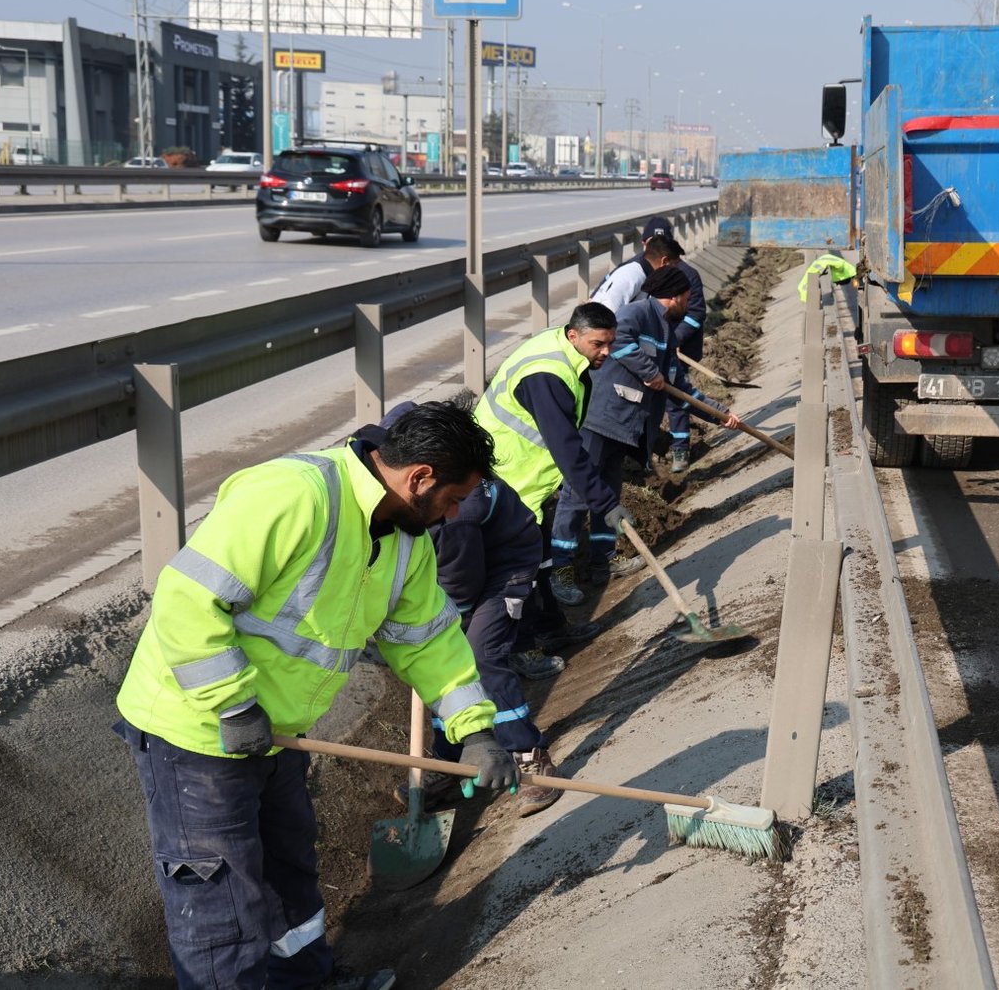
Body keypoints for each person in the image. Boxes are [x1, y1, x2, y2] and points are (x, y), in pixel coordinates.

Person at [114, 402, 518, 990]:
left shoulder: (407, 543)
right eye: (453, 499)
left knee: (290, 872)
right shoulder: (294, 495)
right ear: (420, 477)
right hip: (196, 732)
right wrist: (233, 704)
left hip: (278, 732)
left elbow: (429, 642)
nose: (455, 514)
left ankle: (307, 983)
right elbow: (187, 600)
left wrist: (475, 730)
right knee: (222, 903)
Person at [358, 399, 563, 818]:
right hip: (466, 561)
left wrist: (438, 633)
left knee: (477, 655)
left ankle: (529, 756)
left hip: (505, 565)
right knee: (441, 667)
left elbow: (462, 584)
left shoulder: (452, 513)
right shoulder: (402, 492)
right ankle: (452, 763)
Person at [553, 265, 740, 586]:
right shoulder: (637, 313)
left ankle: (603, 561)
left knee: (608, 495)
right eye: (687, 298)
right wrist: (649, 372)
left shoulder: (666, 332)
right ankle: (561, 572)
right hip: (601, 420)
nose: (689, 304)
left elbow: (680, 389)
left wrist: (721, 414)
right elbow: (619, 341)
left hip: (624, 429)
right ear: (676, 297)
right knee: (578, 494)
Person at [473, 302, 630, 618]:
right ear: (574, 336)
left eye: (610, 343)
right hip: (508, 475)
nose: (606, 352)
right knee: (522, 569)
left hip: (525, 474)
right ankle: (528, 640)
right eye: (598, 344)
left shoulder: (564, 350)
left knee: (541, 557)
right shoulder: (548, 375)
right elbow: (567, 448)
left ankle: (553, 629)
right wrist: (605, 503)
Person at [659, 239, 709, 473]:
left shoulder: (688, 275)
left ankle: (680, 449)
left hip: (678, 350)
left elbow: (696, 312)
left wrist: (674, 340)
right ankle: (652, 450)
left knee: (675, 396)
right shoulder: (649, 273)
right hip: (653, 348)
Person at [589, 215, 682, 314]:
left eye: (663, 245)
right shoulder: (631, 275)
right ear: (644, 243)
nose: (658, 249)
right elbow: (605, 314)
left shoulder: (656, 274)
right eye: (653, 243)